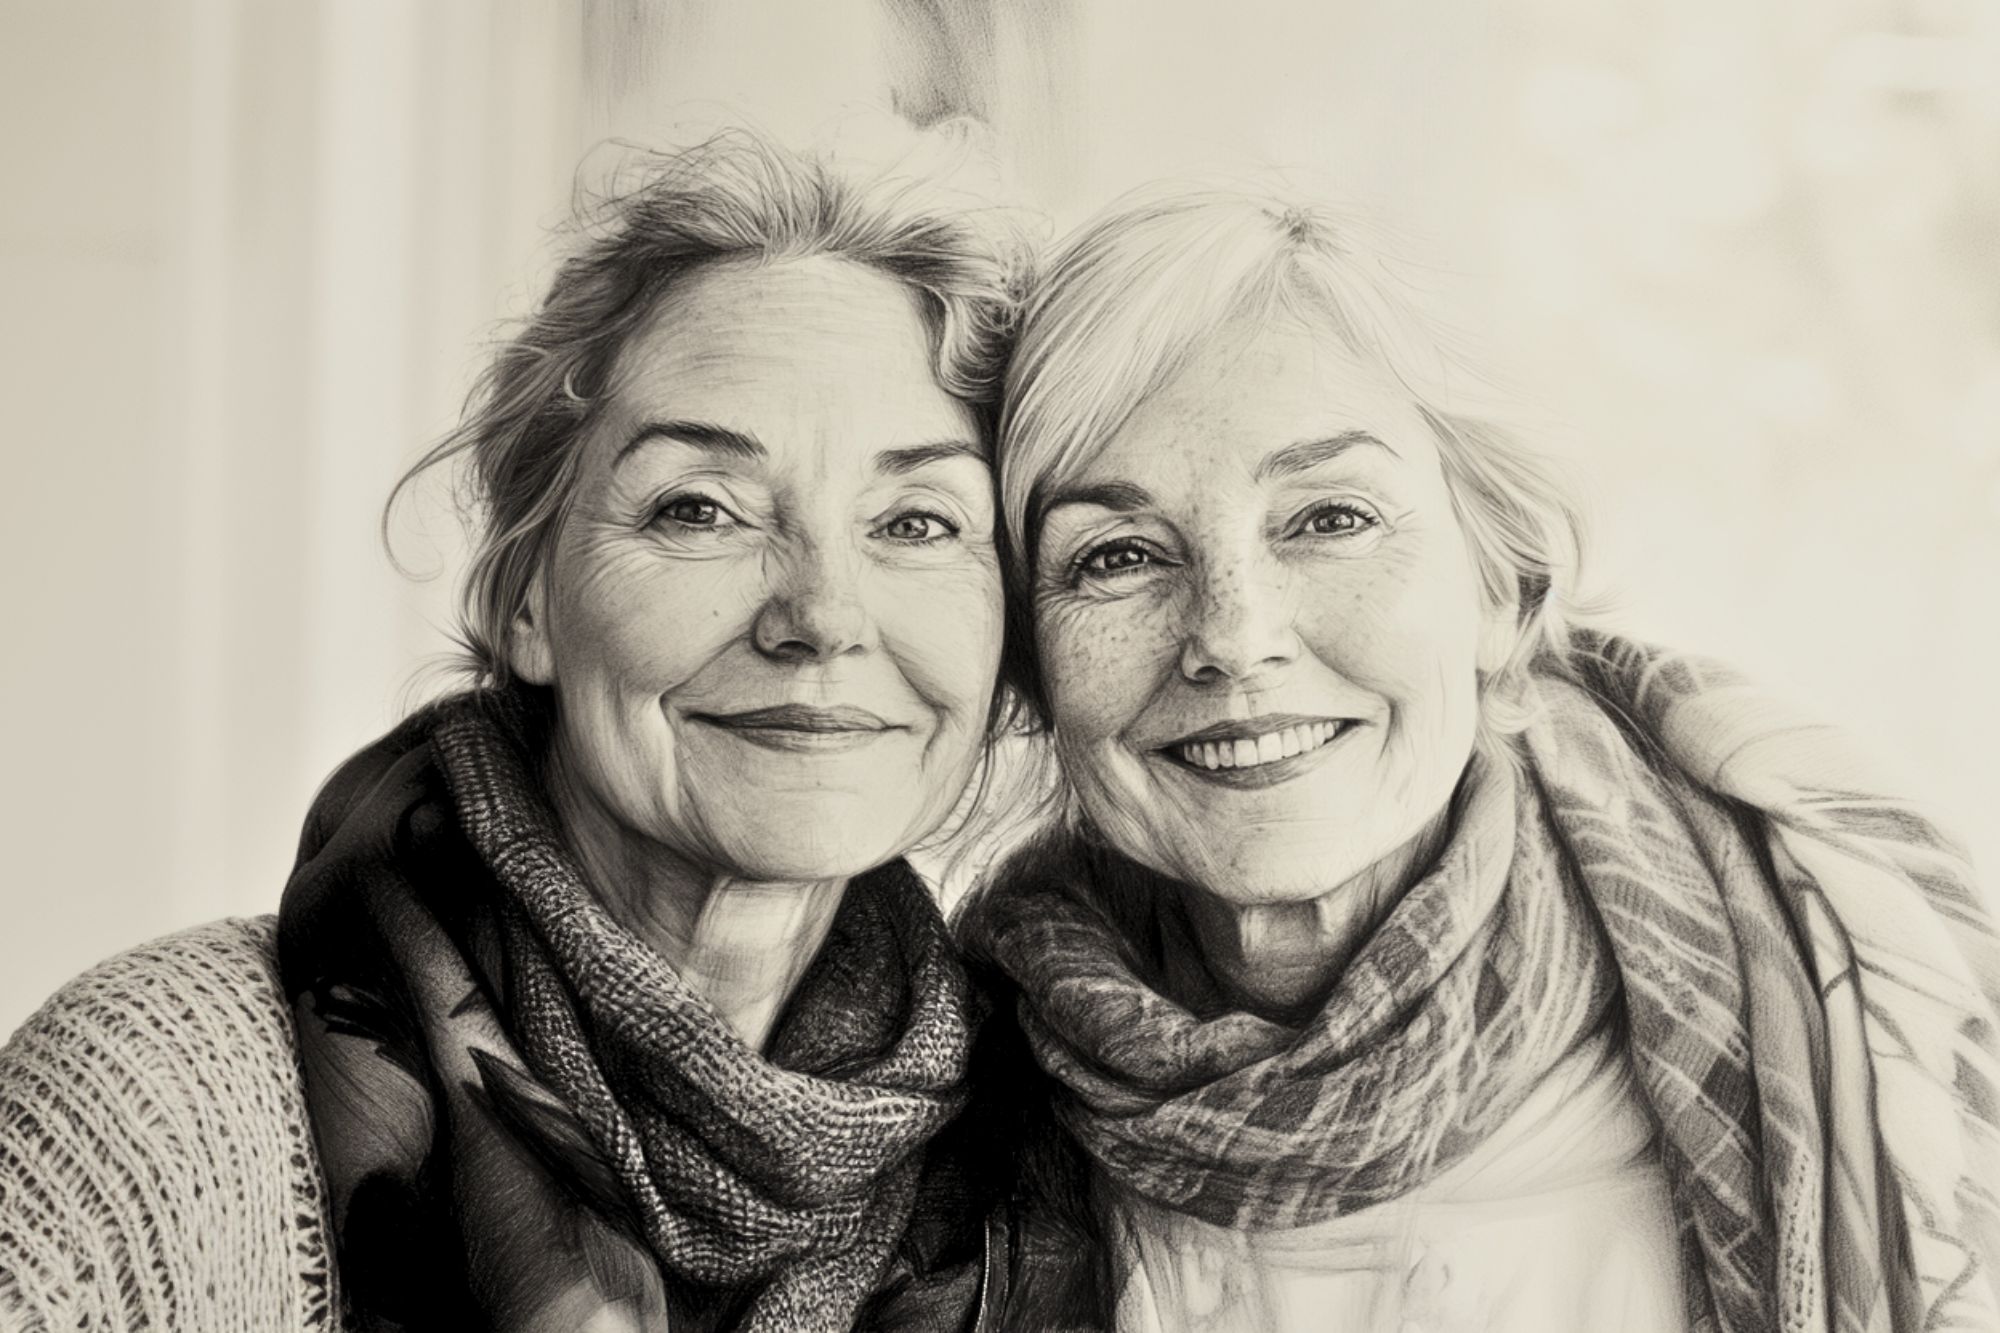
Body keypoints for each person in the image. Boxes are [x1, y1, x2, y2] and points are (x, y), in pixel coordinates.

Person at [0, 131, 1026, 1333]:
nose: (821, 617)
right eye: (698, 508)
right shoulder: (159, 1105)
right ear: (522, 599)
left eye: (916, 522)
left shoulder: (1044, 1168)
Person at [962, 187, 2000, 1332]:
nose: (1234, 636)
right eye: (1115, 554)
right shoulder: (959, 1100)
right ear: (1028, 670)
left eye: (1329, 518)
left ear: (1500, 591)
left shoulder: (1841, 993)